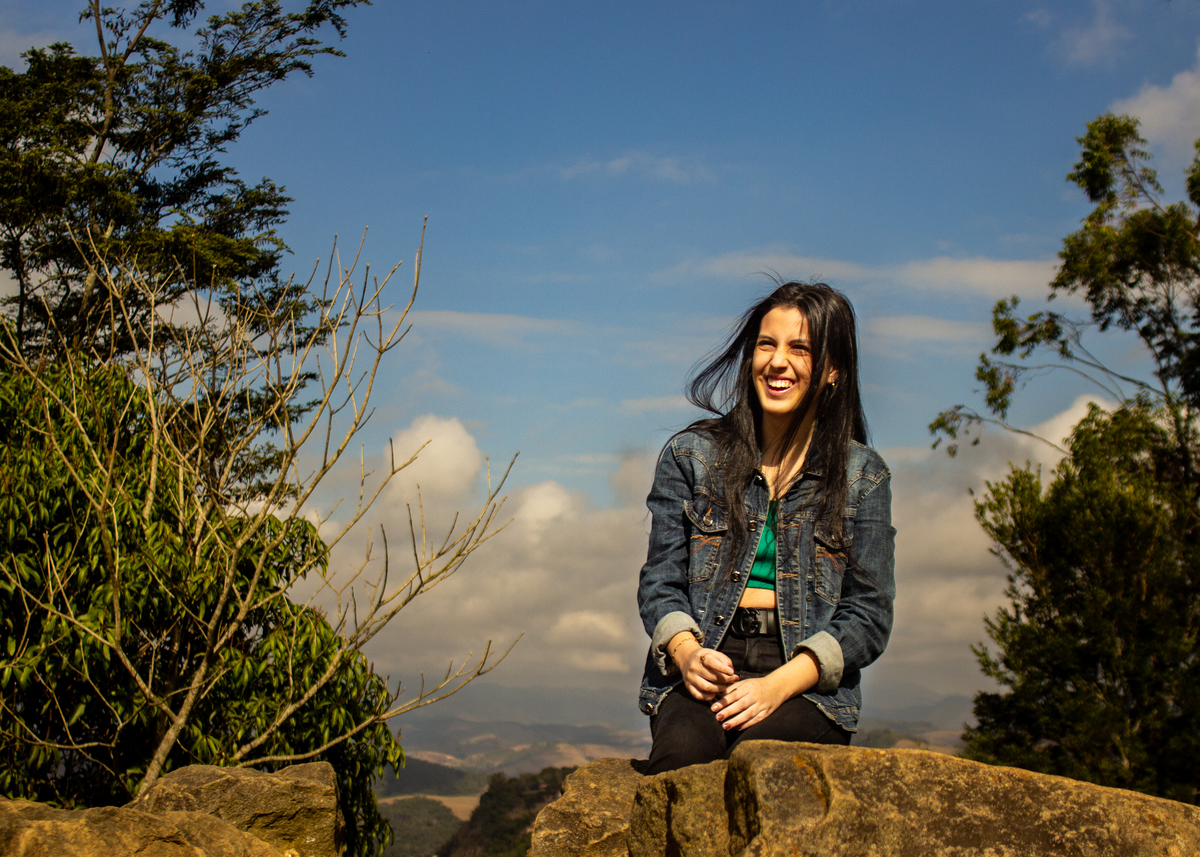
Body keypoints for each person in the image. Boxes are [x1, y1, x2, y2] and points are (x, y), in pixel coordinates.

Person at [637, 281, 895, 774]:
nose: (778, 362)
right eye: (766, 344)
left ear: (833, 370)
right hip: (707, 658)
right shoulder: (690, 456)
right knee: (682, 763)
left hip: (804, 680)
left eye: (801, 348)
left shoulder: (864, 476)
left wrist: (776, 685)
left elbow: (869, 615)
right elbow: (660, 581)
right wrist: (688, 655)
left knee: (759, 767)